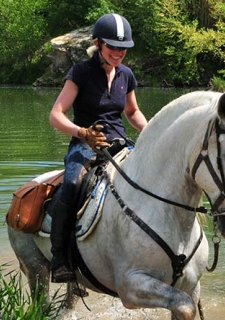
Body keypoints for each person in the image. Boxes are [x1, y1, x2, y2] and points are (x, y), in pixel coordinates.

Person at [47, 13, 148, 283]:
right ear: (98, 44)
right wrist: (82, 133)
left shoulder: (126, 74)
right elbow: (55, 115)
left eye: (123, 48)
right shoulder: (80, 72)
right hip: (84, 145)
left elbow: (132, 111)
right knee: (70, 185)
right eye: (113, 46)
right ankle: (59, 259)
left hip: (119, 143)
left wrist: (150, 133)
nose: (118, 52)